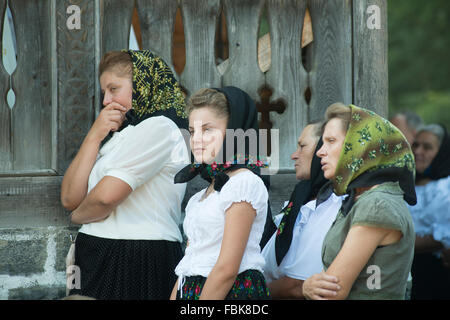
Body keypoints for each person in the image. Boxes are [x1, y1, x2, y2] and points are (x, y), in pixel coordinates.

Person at [60, 50, 190, 299]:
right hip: (100, 252)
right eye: (104, 93)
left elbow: (104, 199)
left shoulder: (160, 127)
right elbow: (69, 198)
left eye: (114, 89)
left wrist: (78, 216)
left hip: (136, 257)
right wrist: (94, 136)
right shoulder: (118, 137)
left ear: (141, 85)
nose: (106, 101)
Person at [303, 103, 417, 300]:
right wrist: (307, 286)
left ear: (359, 147)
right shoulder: (359, 198)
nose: (320, 152)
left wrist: (308, 286)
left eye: (331, 141)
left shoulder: (377, 204)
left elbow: (331, 292)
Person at [170, 87, 271, 300]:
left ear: (234, 131)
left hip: (231, 294)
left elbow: (226, 269)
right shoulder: (199, 197)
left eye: (207, 130)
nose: (196, 139)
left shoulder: (243, 183)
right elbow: (189, 262)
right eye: (193, 130)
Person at [261, 121, 343, 299]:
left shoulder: (334, 203)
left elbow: (298, 285)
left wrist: (250, 295)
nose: (293, 155)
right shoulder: (302, 195)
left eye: (302, 146)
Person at [409, 123, 450, 299]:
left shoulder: (445, 187)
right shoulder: (404, 184)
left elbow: (443, 236)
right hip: (404, 270)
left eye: (427, 147)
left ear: (441, 152)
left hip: (435, 274)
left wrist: (391, 244)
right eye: (416, 145)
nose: (418, 151)